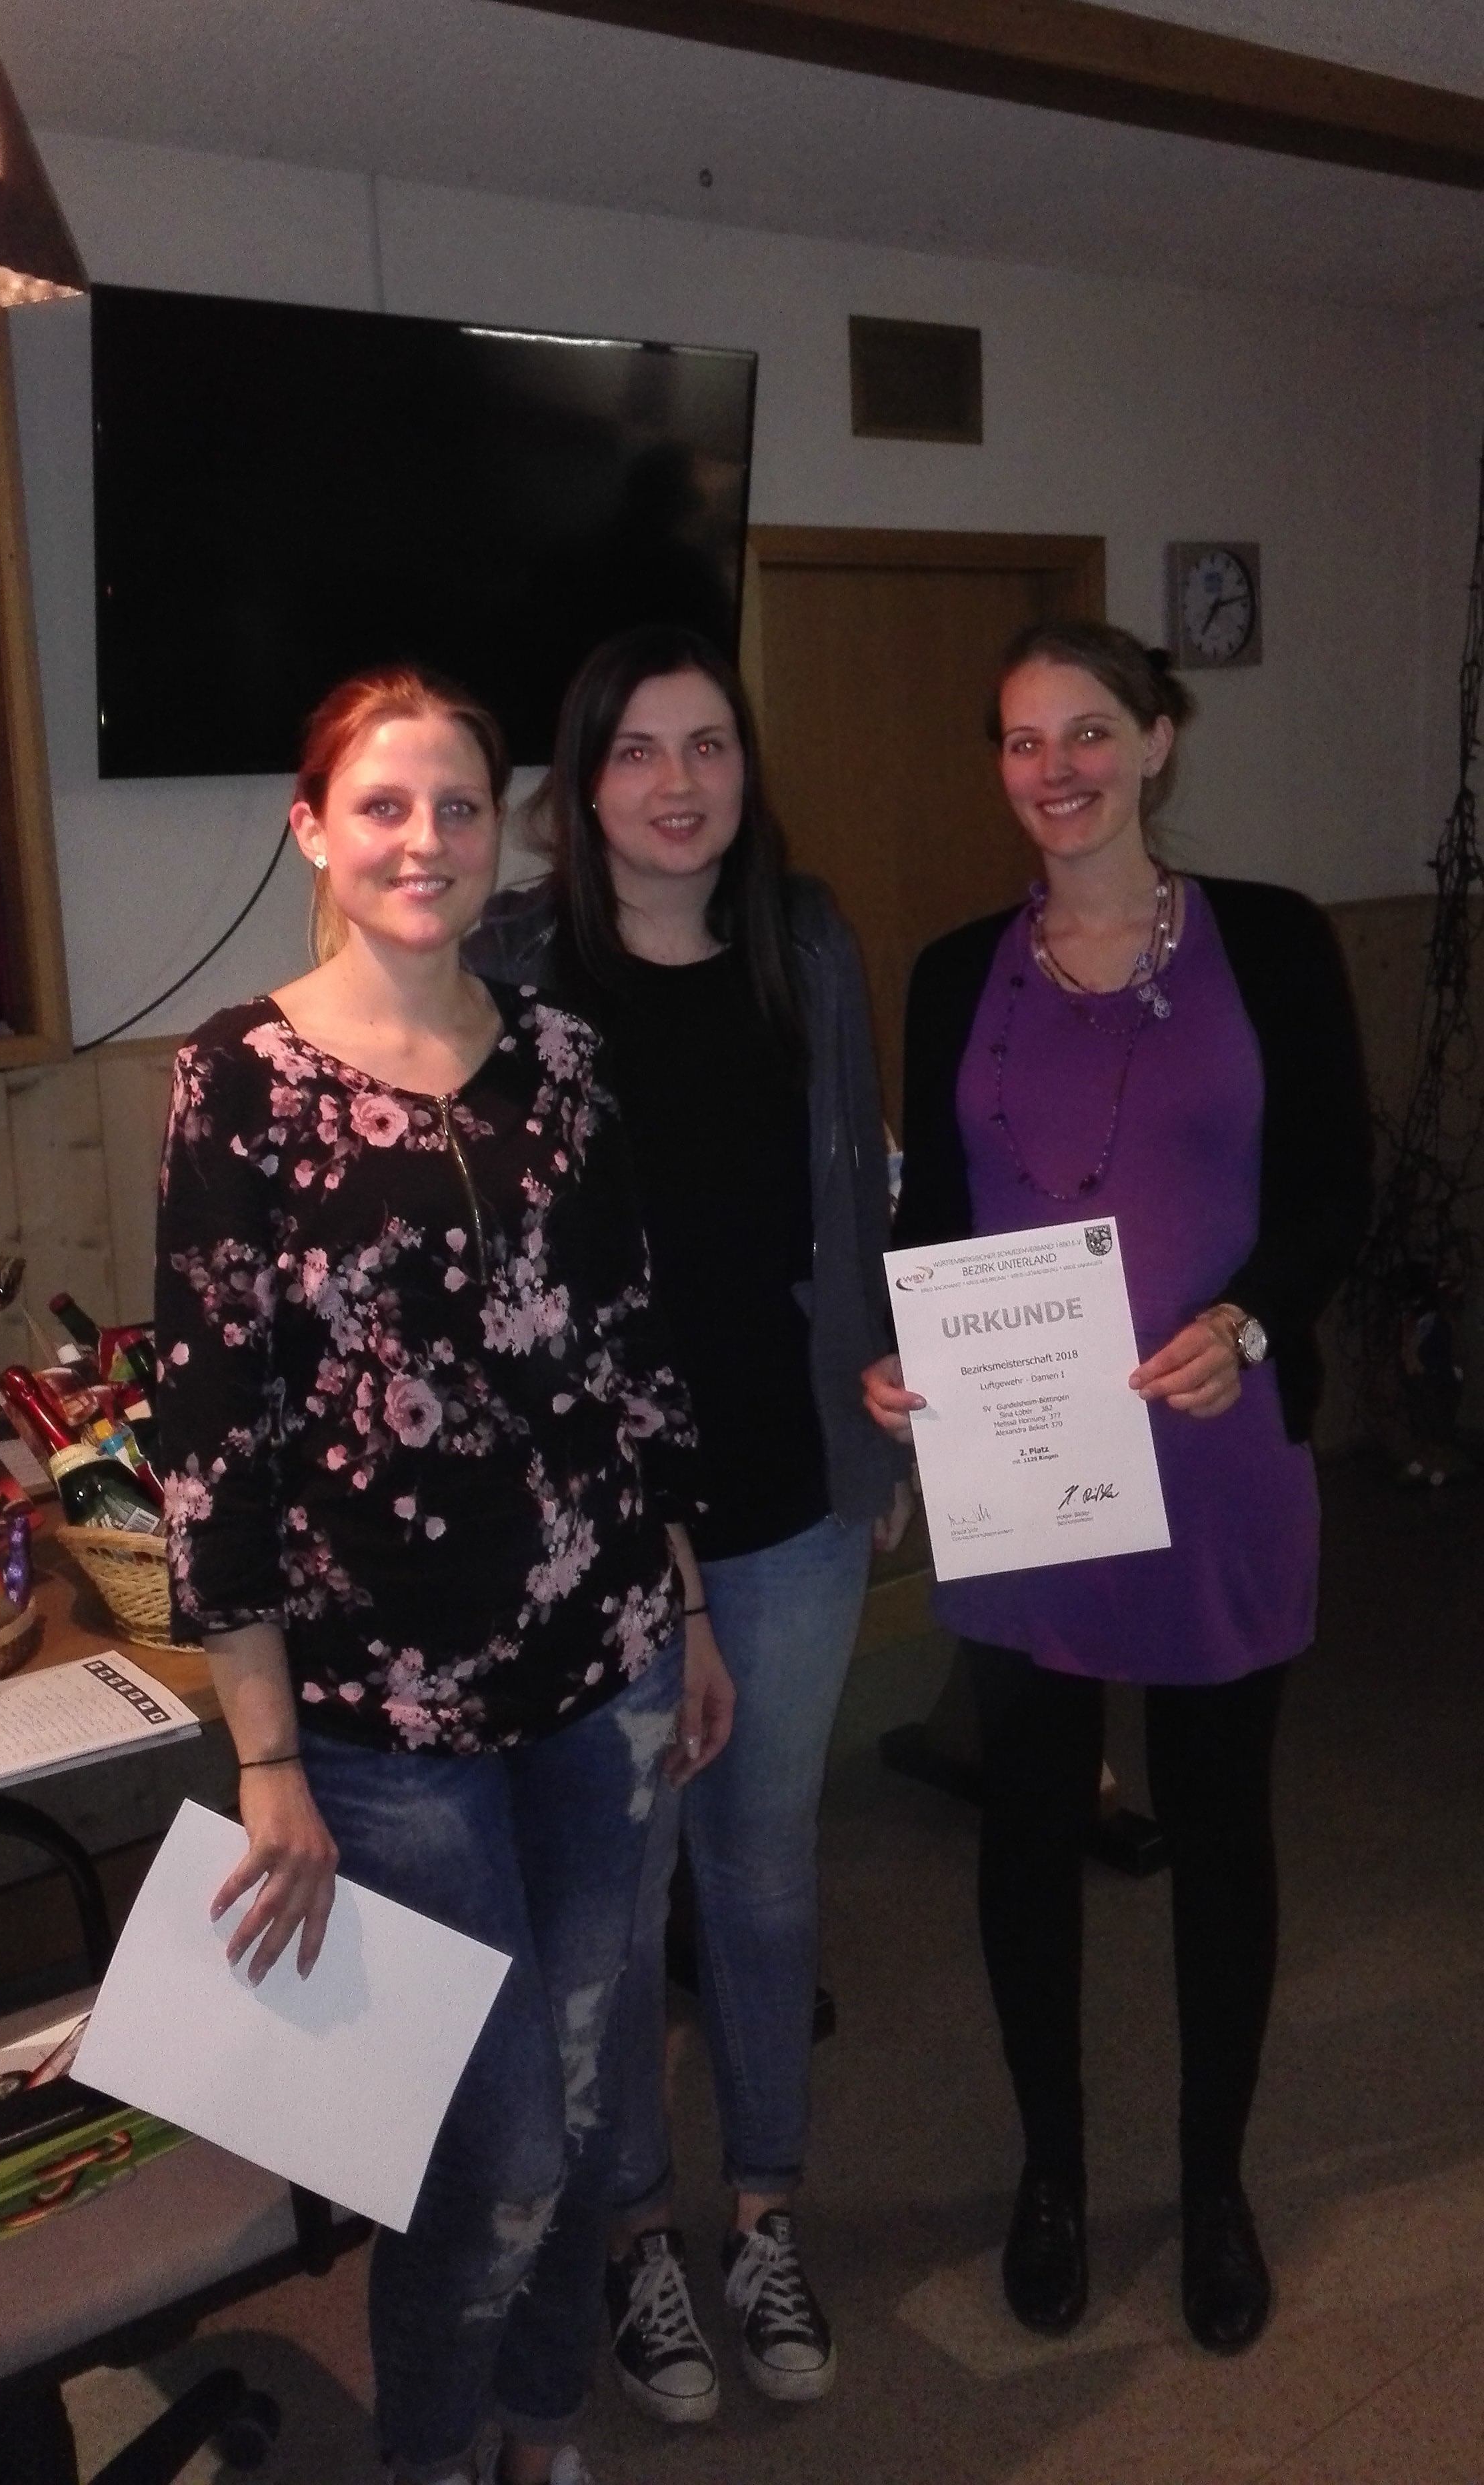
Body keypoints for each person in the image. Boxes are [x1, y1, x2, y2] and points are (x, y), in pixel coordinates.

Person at [155, 663, 733, 2485]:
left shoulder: (562, 1056)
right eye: (385, 806)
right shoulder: (237, 1080)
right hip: (383, 1722)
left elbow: (631, 1356)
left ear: (503, 835)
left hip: (606, 1666)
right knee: (493, 2153)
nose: (426, 840)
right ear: (313, 831)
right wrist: (266, 1758)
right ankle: (427, 2454)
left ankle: (541, 2430)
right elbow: (212, 1438)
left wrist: (689, 1610)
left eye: (460, 806)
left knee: (588, 2100)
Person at [864, 620, 1370, 2355]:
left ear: (1157, 740)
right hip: (1028, 1475)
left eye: (1089, 731)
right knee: (1028, 1827)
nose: (1055, 769)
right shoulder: (955, 972)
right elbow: (936, 1218)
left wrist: (1247, 1317)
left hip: (1219, 1458)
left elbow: (1332, 1188)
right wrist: (901, 1348)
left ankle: (1213, 2182)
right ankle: (1053, 2174)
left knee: (1222, 1829)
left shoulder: (1273, 941)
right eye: (1022, 741)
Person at [468, 624, 909, 2425]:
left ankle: (765, 2213)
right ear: (583, 789)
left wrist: (881, 1424)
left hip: (791, 1494)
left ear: (745, 768)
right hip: (598, 1529)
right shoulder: (512, 967)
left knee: (765, 1864)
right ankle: (638, 2231)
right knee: (620, 1885)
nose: (677, 783)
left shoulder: (806, 942)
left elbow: (856, 1195)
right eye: (637, 751)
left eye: (708, 745)